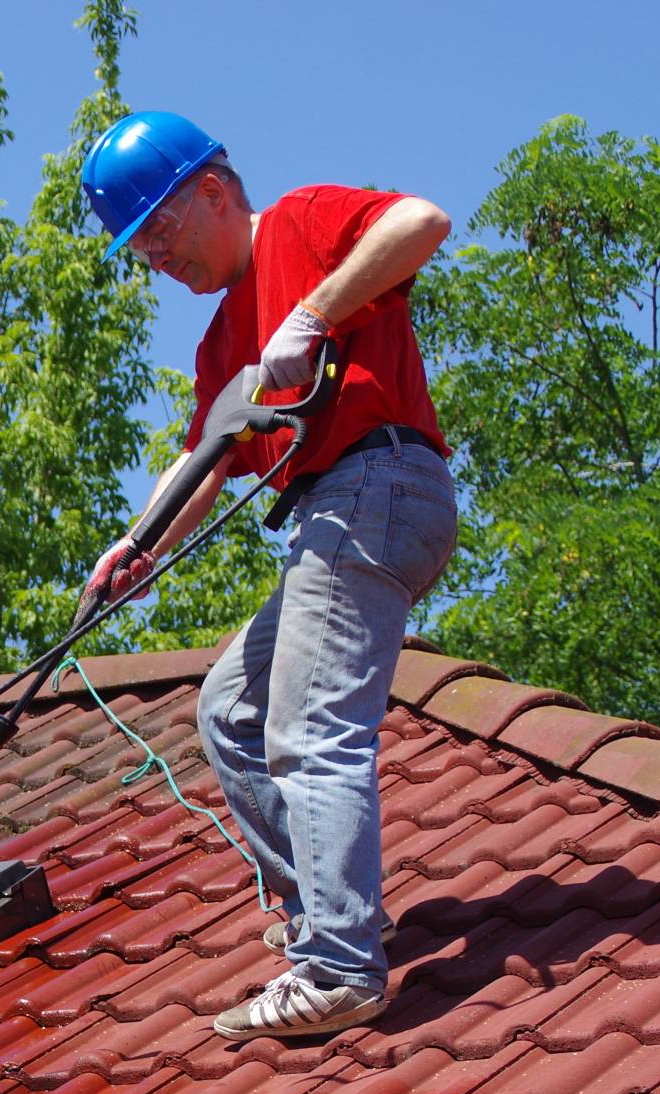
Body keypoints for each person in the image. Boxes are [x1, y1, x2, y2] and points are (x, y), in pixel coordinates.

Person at [75, 111, 457, 1041]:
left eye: (158, 232)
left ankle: (340, 966)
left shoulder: (299, 222)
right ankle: (324, 918)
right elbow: (208, 456)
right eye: (139, 249)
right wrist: (139, 544)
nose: (156, 260)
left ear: (213, 192)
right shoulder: (220, 346)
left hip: (379, 482)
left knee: (307, 724)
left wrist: (316, 313)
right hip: (339, 510)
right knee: (230, 714)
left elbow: (424, 221)